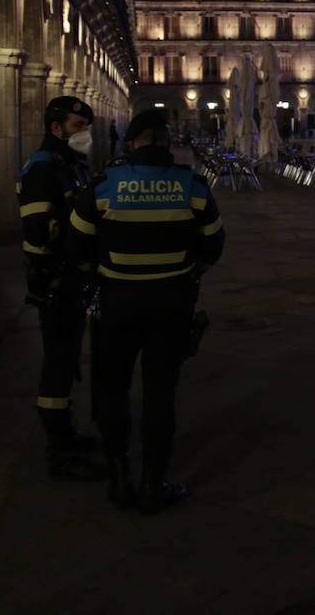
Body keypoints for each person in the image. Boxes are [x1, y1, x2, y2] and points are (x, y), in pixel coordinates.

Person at [68, 109, 225, 514]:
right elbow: (213, 245)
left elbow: (75, 244)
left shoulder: (102, 188)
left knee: (111, 390)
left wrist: (98, 273)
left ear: (131, 144)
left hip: (116, 303)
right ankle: (155, 483)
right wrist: (187, 272)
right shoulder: (193, 187)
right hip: (171, 306)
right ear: (168, 143)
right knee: (160, 394)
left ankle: (121, 479)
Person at [16, 95, 105, 480]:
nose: (84, 132)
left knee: (67, 359)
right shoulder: (42, 168)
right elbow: (38, 230)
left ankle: (66, 430)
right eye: (76, 125)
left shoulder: (71, 164)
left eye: (86, 125)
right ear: (56, 129)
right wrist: (80, 233)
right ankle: (58, 446)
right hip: (54, 279)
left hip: (72, 277)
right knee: (57, 361)